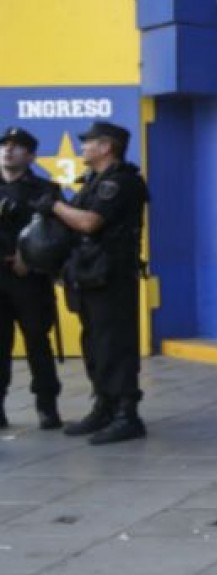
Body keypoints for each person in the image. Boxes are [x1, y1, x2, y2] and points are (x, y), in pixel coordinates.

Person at [34, 121, 149, 444]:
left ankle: (127, 414)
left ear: (106, 147)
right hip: (89, 275)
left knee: (115, 345)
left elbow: (89, 223)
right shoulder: (94, 182)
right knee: (95, 345)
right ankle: (105, 406)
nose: (83, 147)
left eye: (88, 143)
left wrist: (55, 205)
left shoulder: (121, 183)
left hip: (112, 276)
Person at [0, 127, 63, 430]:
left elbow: (56, 236)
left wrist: (30, 257)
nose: (8, 151)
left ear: (31, 155)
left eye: (17, 147)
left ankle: (47, 406)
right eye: (4, 145)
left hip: (29, 279)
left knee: (38, 342)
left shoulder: (45, 190)